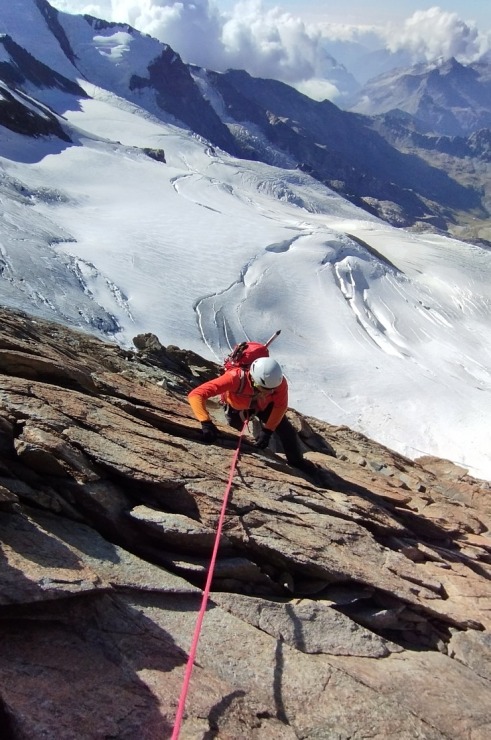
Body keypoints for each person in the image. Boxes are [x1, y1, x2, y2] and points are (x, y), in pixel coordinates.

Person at [188, 356, 315, 474]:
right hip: (237, 407)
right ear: (253, 379)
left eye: (271, 390)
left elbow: (280, 406)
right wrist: (205, 422)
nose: (269, 392)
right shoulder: (234, 378)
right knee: (234, 436)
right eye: (264, 389)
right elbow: (196, 395)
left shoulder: (279, 383)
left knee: (287, 432)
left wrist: (268, 430)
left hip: (263, 406)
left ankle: (297, 462)